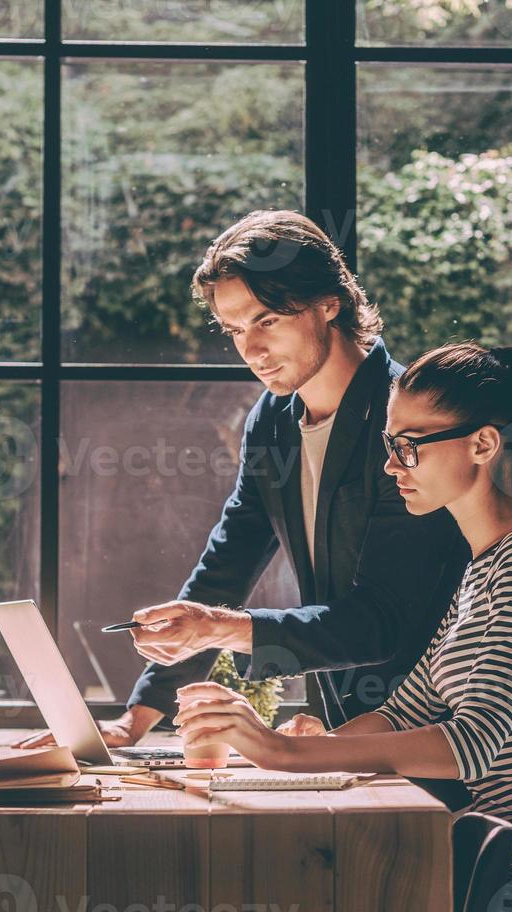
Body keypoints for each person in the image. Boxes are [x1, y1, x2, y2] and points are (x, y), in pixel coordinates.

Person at [179, 342, 512, 912]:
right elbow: (399, 713)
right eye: (390, 444)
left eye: (410, 445)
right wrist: (317, 743)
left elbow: (470, 745)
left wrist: (283, 755)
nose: (393, 466)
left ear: (482, 444)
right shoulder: (483, 569)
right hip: (497, 889)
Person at [97, 209, 470, 745]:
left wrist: (217, 627)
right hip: (335, 729)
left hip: (434, 732)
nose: (251, 351)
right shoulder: (272, 422)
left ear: (328, 303)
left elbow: (383, 620)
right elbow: (226, 566)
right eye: (235, 330)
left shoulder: (409, 423)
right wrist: (134, 720)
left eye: (267, 321)